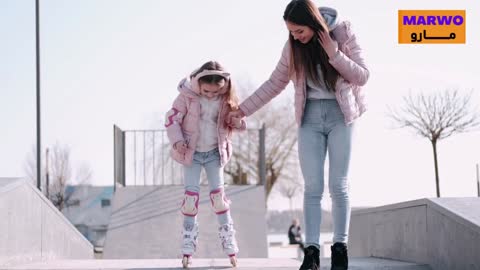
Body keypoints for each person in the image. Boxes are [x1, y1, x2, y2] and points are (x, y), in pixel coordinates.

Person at [227, 1, 369, 269]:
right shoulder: (293, 47)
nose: (295, 36)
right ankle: (312, 252)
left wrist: (334, 53)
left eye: (299, 31)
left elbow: (362, 76)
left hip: (342, 117)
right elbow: (274, 83)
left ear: (314, 23)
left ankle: (340, 250)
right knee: (312, 187)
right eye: (291, 32)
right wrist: (242, 111)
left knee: (338, 185)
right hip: (310, 119)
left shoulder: (343, 33)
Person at [165, 61, 246, 268]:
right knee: (190, 199)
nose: (211, 95)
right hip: (191, 154)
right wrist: (177, 141)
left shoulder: (225, 99)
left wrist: (236, 122)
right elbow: (172, 119)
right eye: (207, 91)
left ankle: (229, 240)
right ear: (198, 83)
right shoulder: (187, 96)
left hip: (214, 154)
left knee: (219, 198)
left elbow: (235, 120)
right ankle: (188, 244)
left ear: (224, 87)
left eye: (216, 92)